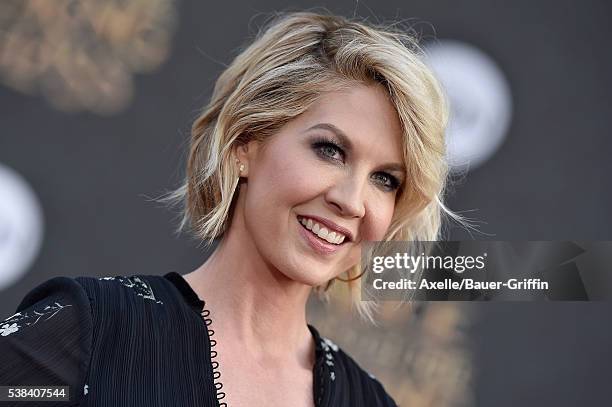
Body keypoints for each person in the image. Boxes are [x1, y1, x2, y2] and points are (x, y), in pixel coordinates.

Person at [0, 11, 453, 407]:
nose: (352, 201)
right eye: (330, 150)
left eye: (385, 179)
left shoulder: (366, 400)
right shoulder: (92, 331)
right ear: (244, 146)